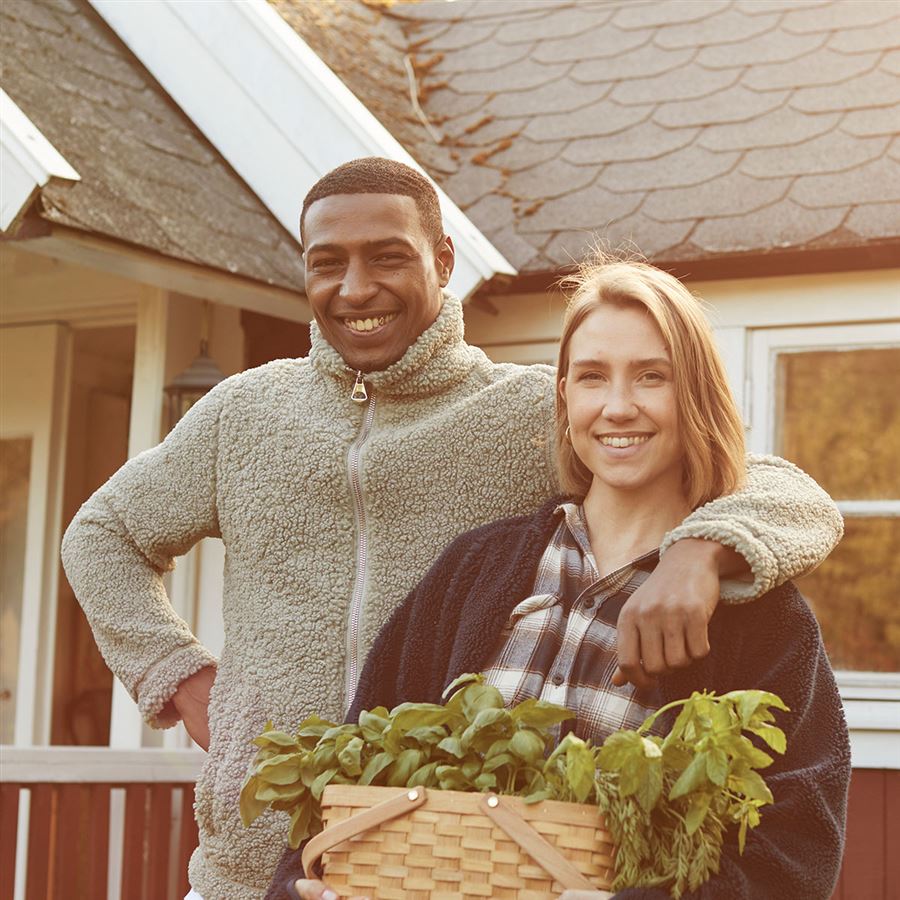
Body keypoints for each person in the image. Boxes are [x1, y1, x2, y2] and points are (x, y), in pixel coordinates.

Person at [61, 159, 843, 900]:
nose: (355, 287)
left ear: (442, 260)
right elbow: (99, 535)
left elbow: (771, 484)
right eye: (326, 260)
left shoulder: (524, 409)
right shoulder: (242, 414)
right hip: (269, 867)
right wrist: (184, 679)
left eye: (387, 257)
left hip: (447, 869)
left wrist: (702, 553)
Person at [280, 257, 850, 900]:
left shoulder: (762, 615)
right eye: (592, 377)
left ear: (695, 396)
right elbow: (348, 768)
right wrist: (305, 886)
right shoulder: (475, 569)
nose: (617, 407)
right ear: (565, 396)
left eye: (651, 377)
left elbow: (796, 860)